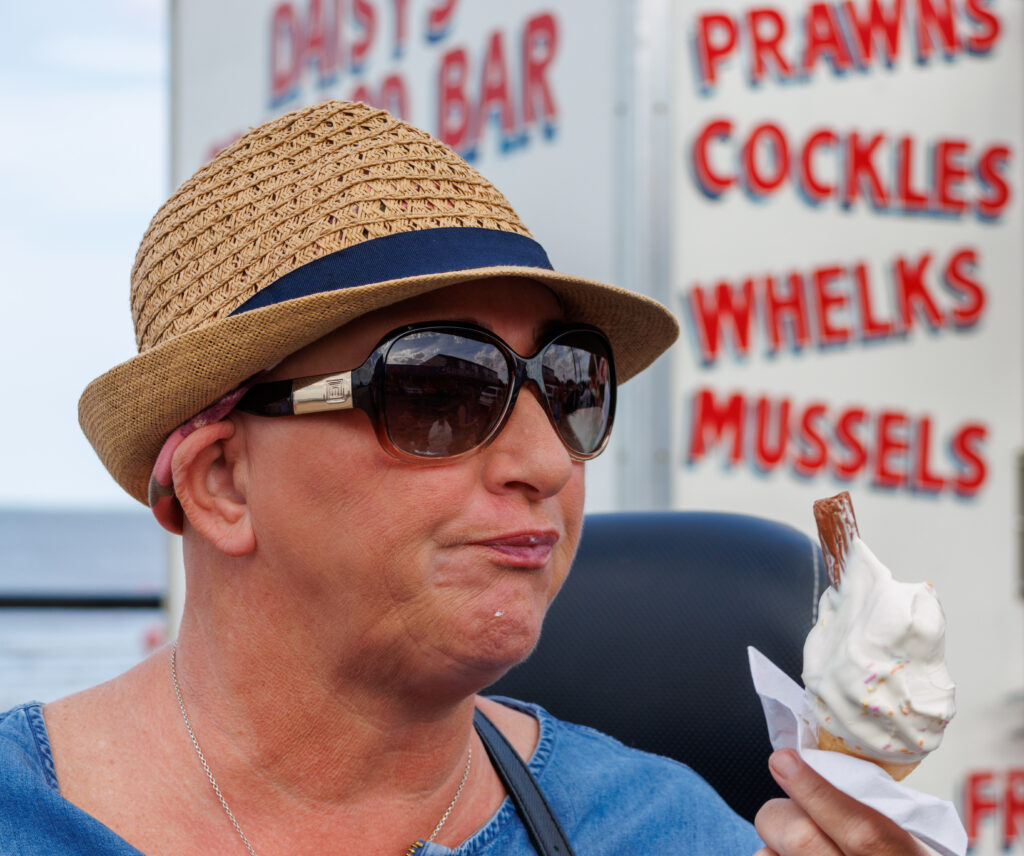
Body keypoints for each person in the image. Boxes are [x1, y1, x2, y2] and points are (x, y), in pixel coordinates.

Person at [0, 101, 932, 855]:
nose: (545, 461)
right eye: (440, 390)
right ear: (223, 484)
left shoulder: (663, 831)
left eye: (571, 385)